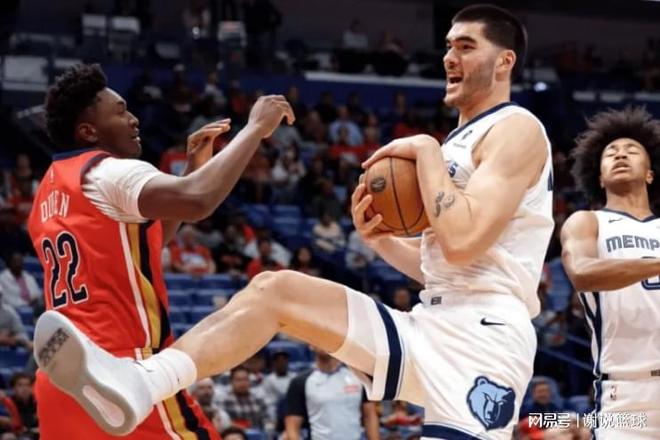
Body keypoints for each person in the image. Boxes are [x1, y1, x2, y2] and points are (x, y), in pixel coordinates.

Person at [34, 5, 552, 439]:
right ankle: (142, 382)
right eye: (448, 46)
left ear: (504, 61)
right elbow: (448, 265)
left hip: (485, 338)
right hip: (434, 318)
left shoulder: (517, 128)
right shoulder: (458, 141)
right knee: (274, 290)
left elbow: (462, 242)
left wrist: (424, 149)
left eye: (466, 46)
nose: (449, 57)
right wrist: (381, 243)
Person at [27, 63, 294, 439]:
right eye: (121, 111)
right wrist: (255, 129)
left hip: (59, 381)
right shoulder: (107, 171)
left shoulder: (47, 193)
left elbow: (144, 243)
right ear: (88, 131)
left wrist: (191, 170)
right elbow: (198, 200)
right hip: (122, 372)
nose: (134, 119)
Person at [560, 107, 660, 438]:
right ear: (599, 177)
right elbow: (582, 272)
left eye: (632, 150)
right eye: (611, 153)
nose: (620, 155)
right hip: (626, 396)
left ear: (650, 174)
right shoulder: (587, 222)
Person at [284, 348, 380, 440]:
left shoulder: (358, 377)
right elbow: (292, 427)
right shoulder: (300, 382)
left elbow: (370, 416)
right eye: (321, 339)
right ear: (311, 345)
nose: (325, 343)